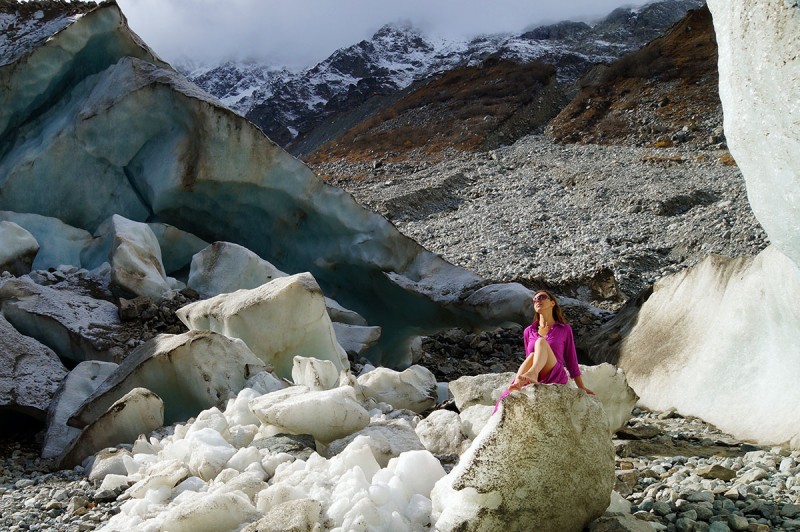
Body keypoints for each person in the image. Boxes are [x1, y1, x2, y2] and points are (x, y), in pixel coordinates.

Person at [493, 289, 594, 414]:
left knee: (540, 342)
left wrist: (581, 387)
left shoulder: (564, 329)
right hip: (534, 372)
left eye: (541, 297)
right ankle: (519, 383)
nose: (537, 300)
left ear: (552, 303)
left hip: (554, 374)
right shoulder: (528, 331)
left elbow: (571, 360)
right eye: (534, 299)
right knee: (533, 354)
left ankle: (532, 374)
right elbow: (529, 358)